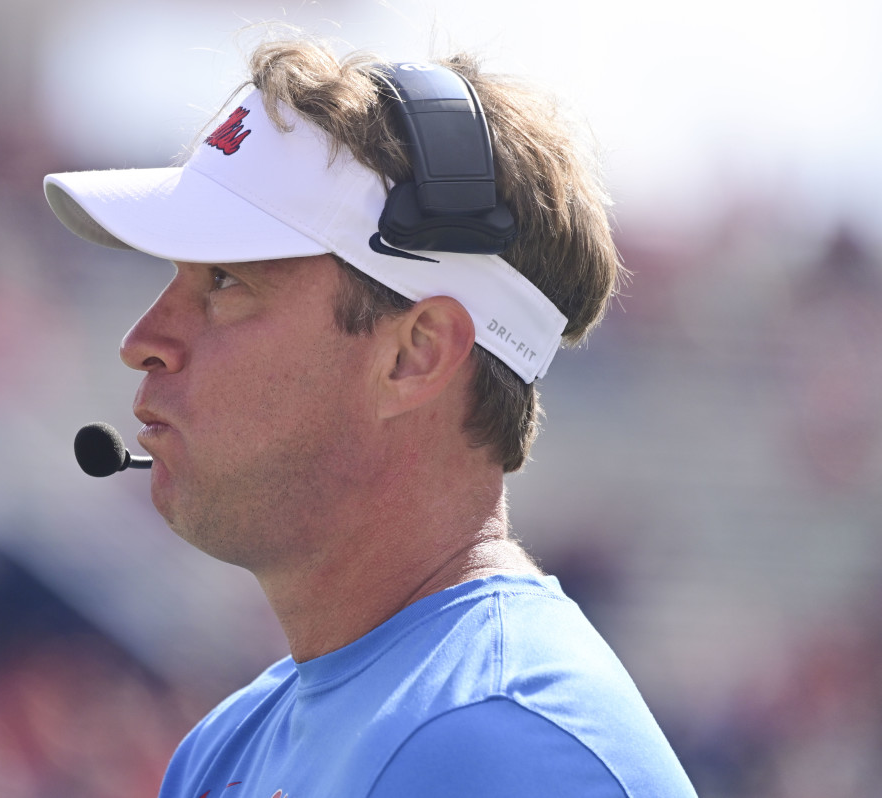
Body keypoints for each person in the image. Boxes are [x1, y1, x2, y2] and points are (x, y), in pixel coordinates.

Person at [44, 36, 697, 798]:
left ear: (416, 354)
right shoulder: (222, 750)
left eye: (224, 281)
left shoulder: (501, 746)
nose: (141, 343)